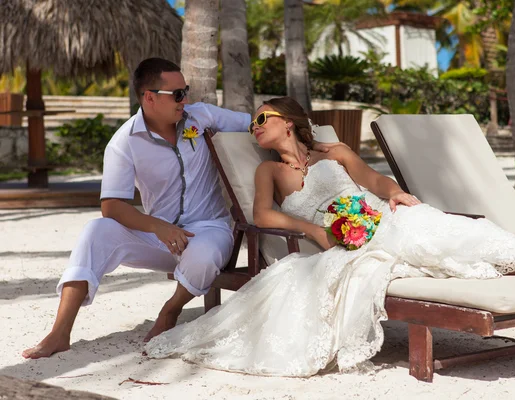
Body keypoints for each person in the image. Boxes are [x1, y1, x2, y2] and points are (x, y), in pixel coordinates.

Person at [144, 97, 515, 377]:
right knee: (430, 245)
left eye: (263, 117)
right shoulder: (268, 171)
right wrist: (312, 228)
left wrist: (397, 194)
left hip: (380, 217)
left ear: (290, 121)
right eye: (253, 123)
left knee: (435, 227)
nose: (255, 126)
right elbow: (261, 214)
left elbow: (372, 180)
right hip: (339, 241)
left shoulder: (333, 151)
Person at [22, 60, 340, 360]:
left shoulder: (202, 117)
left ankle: (170, 310)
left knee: (204, 254)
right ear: (149, 97)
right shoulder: (123, 143)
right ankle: (60, 332)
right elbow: (112, 206)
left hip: (209, 228)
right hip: (158, 236)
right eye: (177, 94)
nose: (184, 100)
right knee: (95, 231)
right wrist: (158, 228)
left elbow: (258, 126)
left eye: (185, 92)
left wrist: (308, 139)